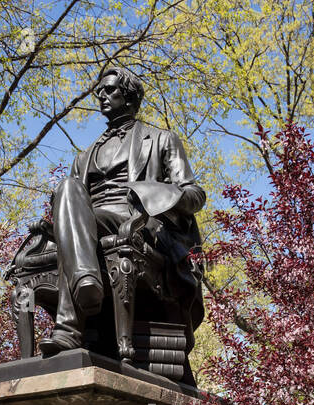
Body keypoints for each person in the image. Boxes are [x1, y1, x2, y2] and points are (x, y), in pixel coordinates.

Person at [23, 66, 206, 360]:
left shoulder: (160, 138)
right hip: (88, 222)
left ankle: (70, 328)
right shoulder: (84, 157)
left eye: (110, 90)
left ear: (130, 96)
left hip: (136, 218)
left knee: (71, 210)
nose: (101, 95)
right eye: (99, 91)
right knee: (67, 187)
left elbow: (195, 195)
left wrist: (157, 195)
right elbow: (70, 204)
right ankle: (87, 282)